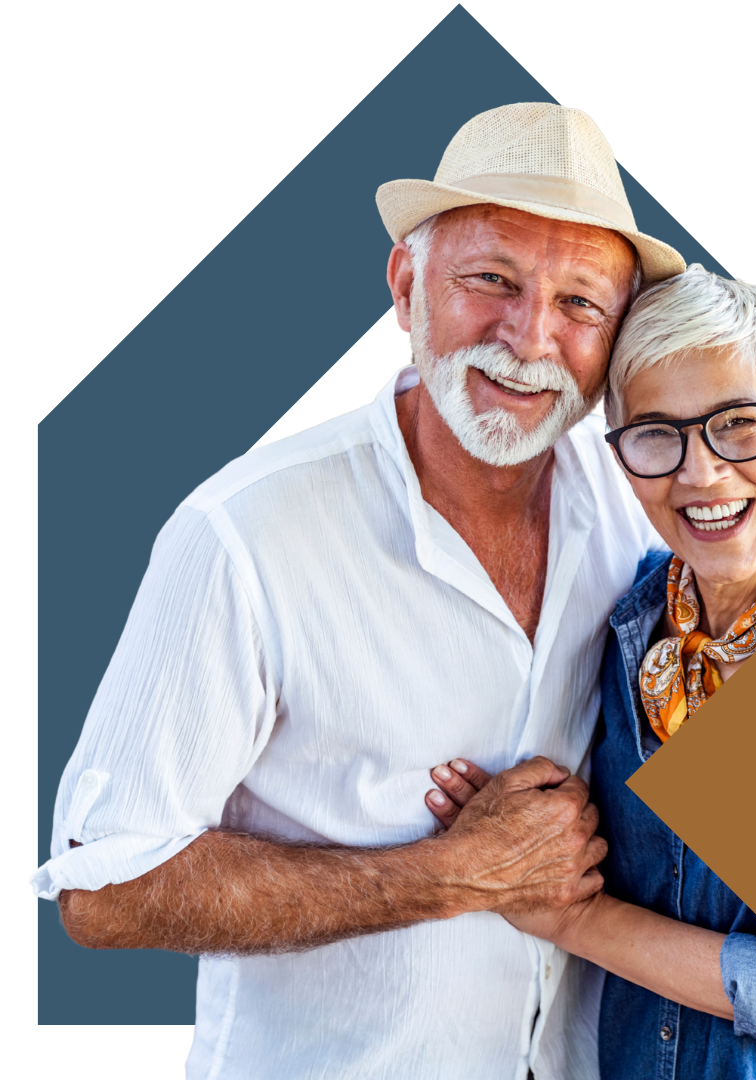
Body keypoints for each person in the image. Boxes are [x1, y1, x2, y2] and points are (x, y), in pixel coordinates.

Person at [29, 102, 687, 1080]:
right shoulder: (243, 533)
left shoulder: (645, 501)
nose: (529, 337)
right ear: (405, 285)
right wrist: (449, 875)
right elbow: (106, 892)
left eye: (581, 305)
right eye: (491, 280)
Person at [426, 266, 756, 1078]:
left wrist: (568, 918)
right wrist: (514, 831)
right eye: (658, 434)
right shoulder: (632, 619)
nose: (700, 473)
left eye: (738, 424)